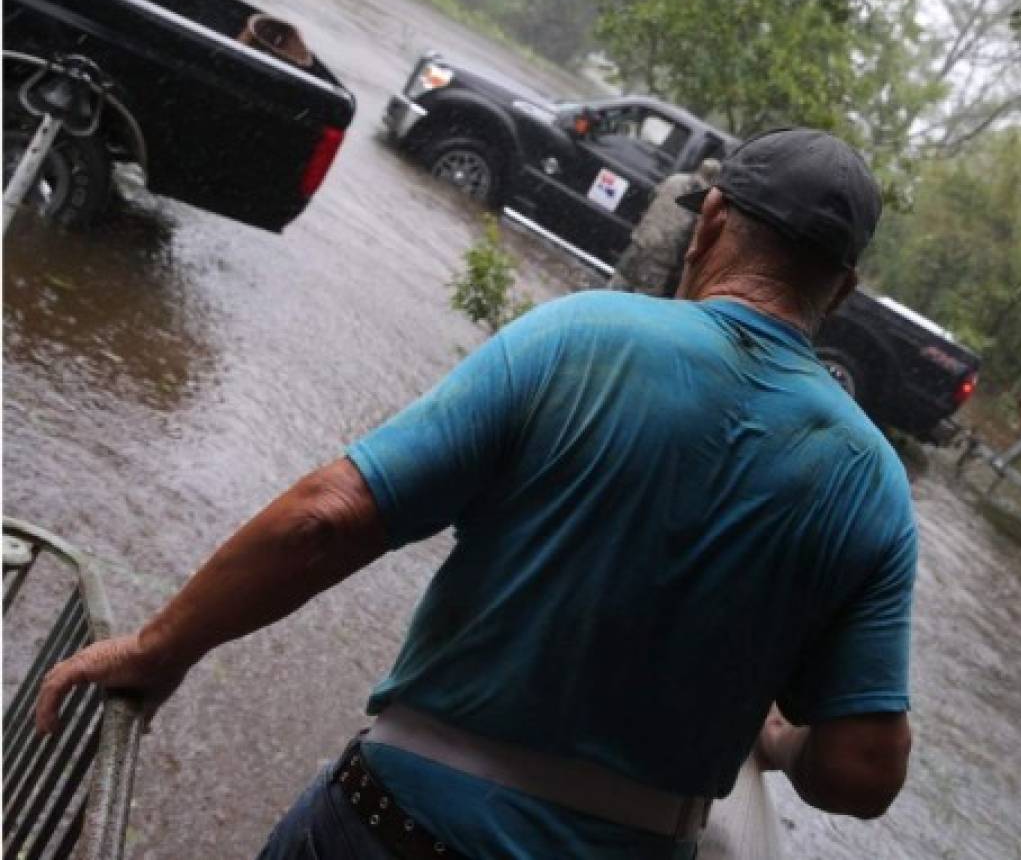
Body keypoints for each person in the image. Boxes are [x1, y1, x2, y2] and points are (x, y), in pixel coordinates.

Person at [37, 128, 917, 860]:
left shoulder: (580, 336)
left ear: (710, 221)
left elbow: (324, 520)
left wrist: (159, 648)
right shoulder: (870, 482)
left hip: (393, 829)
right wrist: (780, 738)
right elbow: (864, 770)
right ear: (838, 290)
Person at [607, 157, 721, 296]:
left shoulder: (675, 179)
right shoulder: (702, 199)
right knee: (642, 303)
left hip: (640, 243)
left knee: (616, 287)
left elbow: (651, 197)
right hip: (661, 260)